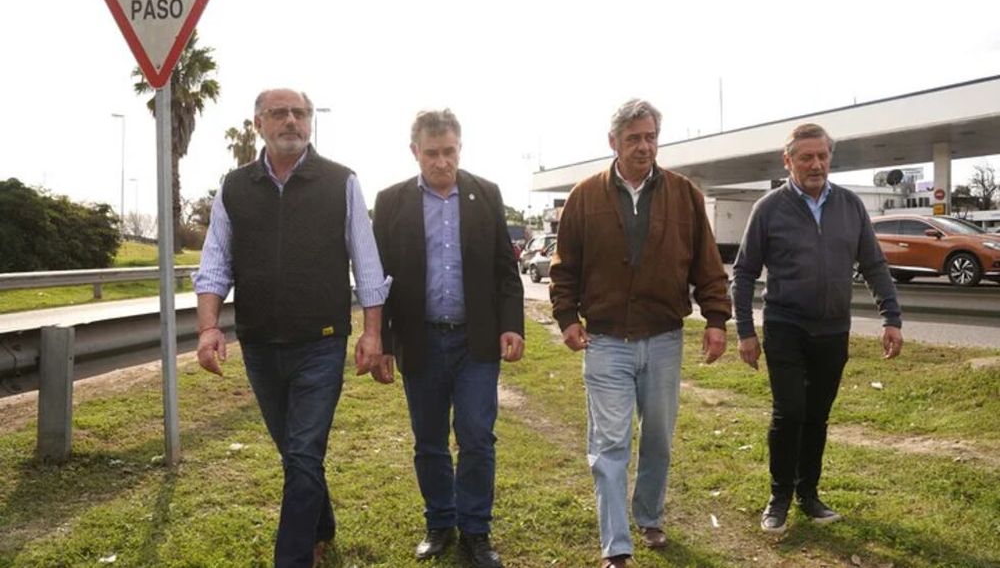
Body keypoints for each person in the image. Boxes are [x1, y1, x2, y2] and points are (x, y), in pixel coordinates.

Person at [193, 88, 392, 568]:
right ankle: (320, 525)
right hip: (259, 344)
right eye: (279, 113)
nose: (291, 121)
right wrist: (207, 328)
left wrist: (372, 333)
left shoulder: (341, 182)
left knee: (303, 451)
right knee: (295, 451)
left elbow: (367, 264)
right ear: (258, 123)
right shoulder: (235, 186)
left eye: (300, 113)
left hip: (321, 344)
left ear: (310, 122)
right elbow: (214, 262)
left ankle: (294, 557)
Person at [548, 98, 732, 568]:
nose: (643, 147)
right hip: (606, 341)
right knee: (609, 443)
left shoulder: (684, 194)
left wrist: (715, 320)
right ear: (613, 142)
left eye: (650, 137)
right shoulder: (584, 196)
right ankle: (617, 546)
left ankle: (648, 514)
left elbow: (706, 264)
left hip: (665, 339)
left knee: (658, 440)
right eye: (633, 139)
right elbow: (564, 267)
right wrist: (567, 318)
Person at [731, 122, 903, 534]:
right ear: (787, 161)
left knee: (817, 416)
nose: (816, 164)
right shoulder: (769, 208)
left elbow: (874, 264)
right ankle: (779, 497)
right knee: (790, 412)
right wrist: (744, 331)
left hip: (832, 330)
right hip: (785, 325)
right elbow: (744, 272)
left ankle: (808, 494)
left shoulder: (850, 205)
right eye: (806, 157)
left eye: (822, 156)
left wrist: (891, 317)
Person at [372, 109, 524, 568]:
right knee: (430, 440)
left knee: (477, 436)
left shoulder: (486, 194)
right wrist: (381, 342)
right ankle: (440, 522)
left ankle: (476, 531)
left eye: (450, 152)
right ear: (415, 151)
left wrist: (511, 324)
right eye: (432, 153)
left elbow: (506, 270)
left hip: (475, 342)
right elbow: (379, 279)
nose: (442, 162)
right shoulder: (391, 202)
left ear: (461, 148)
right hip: (421, 343)